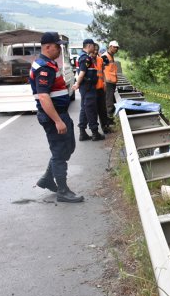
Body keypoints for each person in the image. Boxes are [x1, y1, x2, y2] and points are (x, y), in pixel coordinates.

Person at [29, 32, 83, 203]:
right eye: (57, 46)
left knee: (67, 147)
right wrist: (58, 121)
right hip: (54, 117)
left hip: (60, 114)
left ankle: (47, 178)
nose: (60, 49)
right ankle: (62, 190)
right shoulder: (43, 67)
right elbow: (44, 97)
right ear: (47, 47)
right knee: (60, 152)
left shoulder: (49, 63)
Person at [72, 39, 104, 141]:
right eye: (93, 46)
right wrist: (77, 84)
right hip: (88, 87)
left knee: (84, 109)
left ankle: (82, 133)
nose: (94, 48)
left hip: (86, 87)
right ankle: (95, 133)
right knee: (91, 110)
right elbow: (82, 73)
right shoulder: (85, 58)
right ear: (89, 46)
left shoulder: (82, 56)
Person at [92, 42, 112, 134]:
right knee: (92, 111)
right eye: (94, 49)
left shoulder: (100, 60)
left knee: (102, 110)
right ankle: (94, 131)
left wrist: (104, 83)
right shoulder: (88, 60)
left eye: (97, 50)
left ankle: (105, 127)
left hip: (100, 88)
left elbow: (103, 72)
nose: (95, 51)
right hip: (91, 90)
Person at [103, 40, 119, 122]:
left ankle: (110, 118)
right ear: (110, 47)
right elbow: (101, 70)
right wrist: (104, 82)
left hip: (112, 81)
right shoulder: (105, 56)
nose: (116, 49)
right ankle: (109, 120)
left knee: (110, 100)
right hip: (108, 82)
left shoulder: (111, 56)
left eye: (117, 47)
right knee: (109, 102)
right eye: (114, 47)